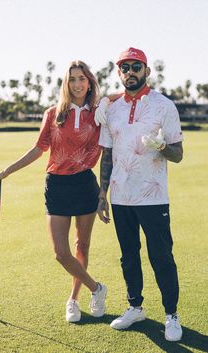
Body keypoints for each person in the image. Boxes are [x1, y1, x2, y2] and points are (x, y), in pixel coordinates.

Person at [0, 60, 107, 323]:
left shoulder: (98, 114)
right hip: (57, 185)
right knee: (61, 253)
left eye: (82, 79)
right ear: (66, 83)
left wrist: (107, 101)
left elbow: (127, 98)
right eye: (72, 79)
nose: (77, 84)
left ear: (90, 83)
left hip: (85, 184)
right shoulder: (53, 114)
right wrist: (6, 171)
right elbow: (37, 149)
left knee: (82, 245)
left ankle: (74, 300)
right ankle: (96, 288)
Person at [97, 47, 183, 341]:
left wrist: (162, 147)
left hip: (153, 197)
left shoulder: (164, 106)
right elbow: (106, 155)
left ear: (147, 71)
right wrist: (102, 195)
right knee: (128, 256)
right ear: (119, 73)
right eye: (124, 67)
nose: (130, 72)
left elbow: (178, 154)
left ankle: (171, 314)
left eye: (136, 67)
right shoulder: (111, 107)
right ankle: (135, 307)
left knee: (161, 256)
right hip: (121, 197)